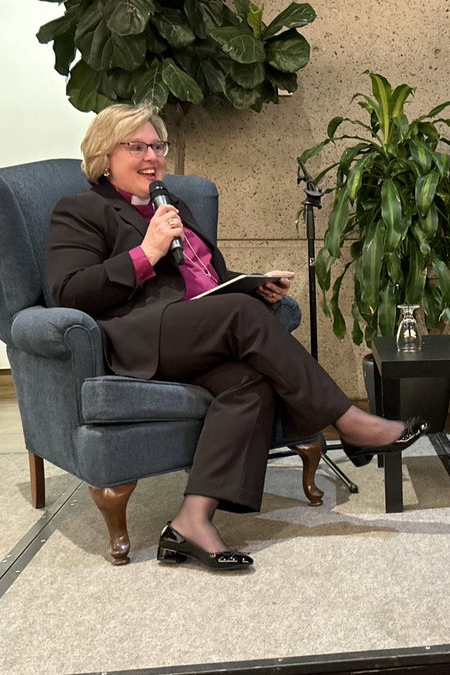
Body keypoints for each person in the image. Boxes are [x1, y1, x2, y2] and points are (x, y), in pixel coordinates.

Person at [47, 103, 427, 572]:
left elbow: (207, 277)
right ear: (105, 155)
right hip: (141, 338)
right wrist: (147, 251)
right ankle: (347, 422)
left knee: (250, 384)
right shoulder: (82, 210)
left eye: (158, 147)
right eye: (137, 146)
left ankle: (191, 521)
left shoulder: (172, 204)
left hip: (200, 329)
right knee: (241, 317)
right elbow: (69, 291)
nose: (152, 157)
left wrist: (251, 284)